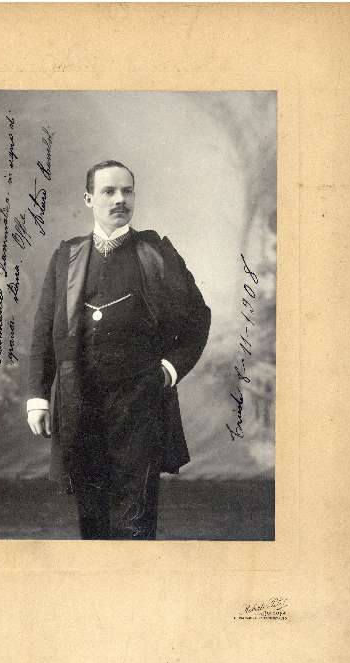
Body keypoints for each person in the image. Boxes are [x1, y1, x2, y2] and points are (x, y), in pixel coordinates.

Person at [26, 160, 210, 540]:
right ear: (89, 198)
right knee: (92, 518)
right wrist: (38, 398)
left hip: (140, 406)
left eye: (127, 191)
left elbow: (198, 319)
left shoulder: (157, 254)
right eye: (108, 191)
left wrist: (168, 370)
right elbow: (44, 330)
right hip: (81, 404)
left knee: (135, 520)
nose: (119, 199)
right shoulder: (67, 257)